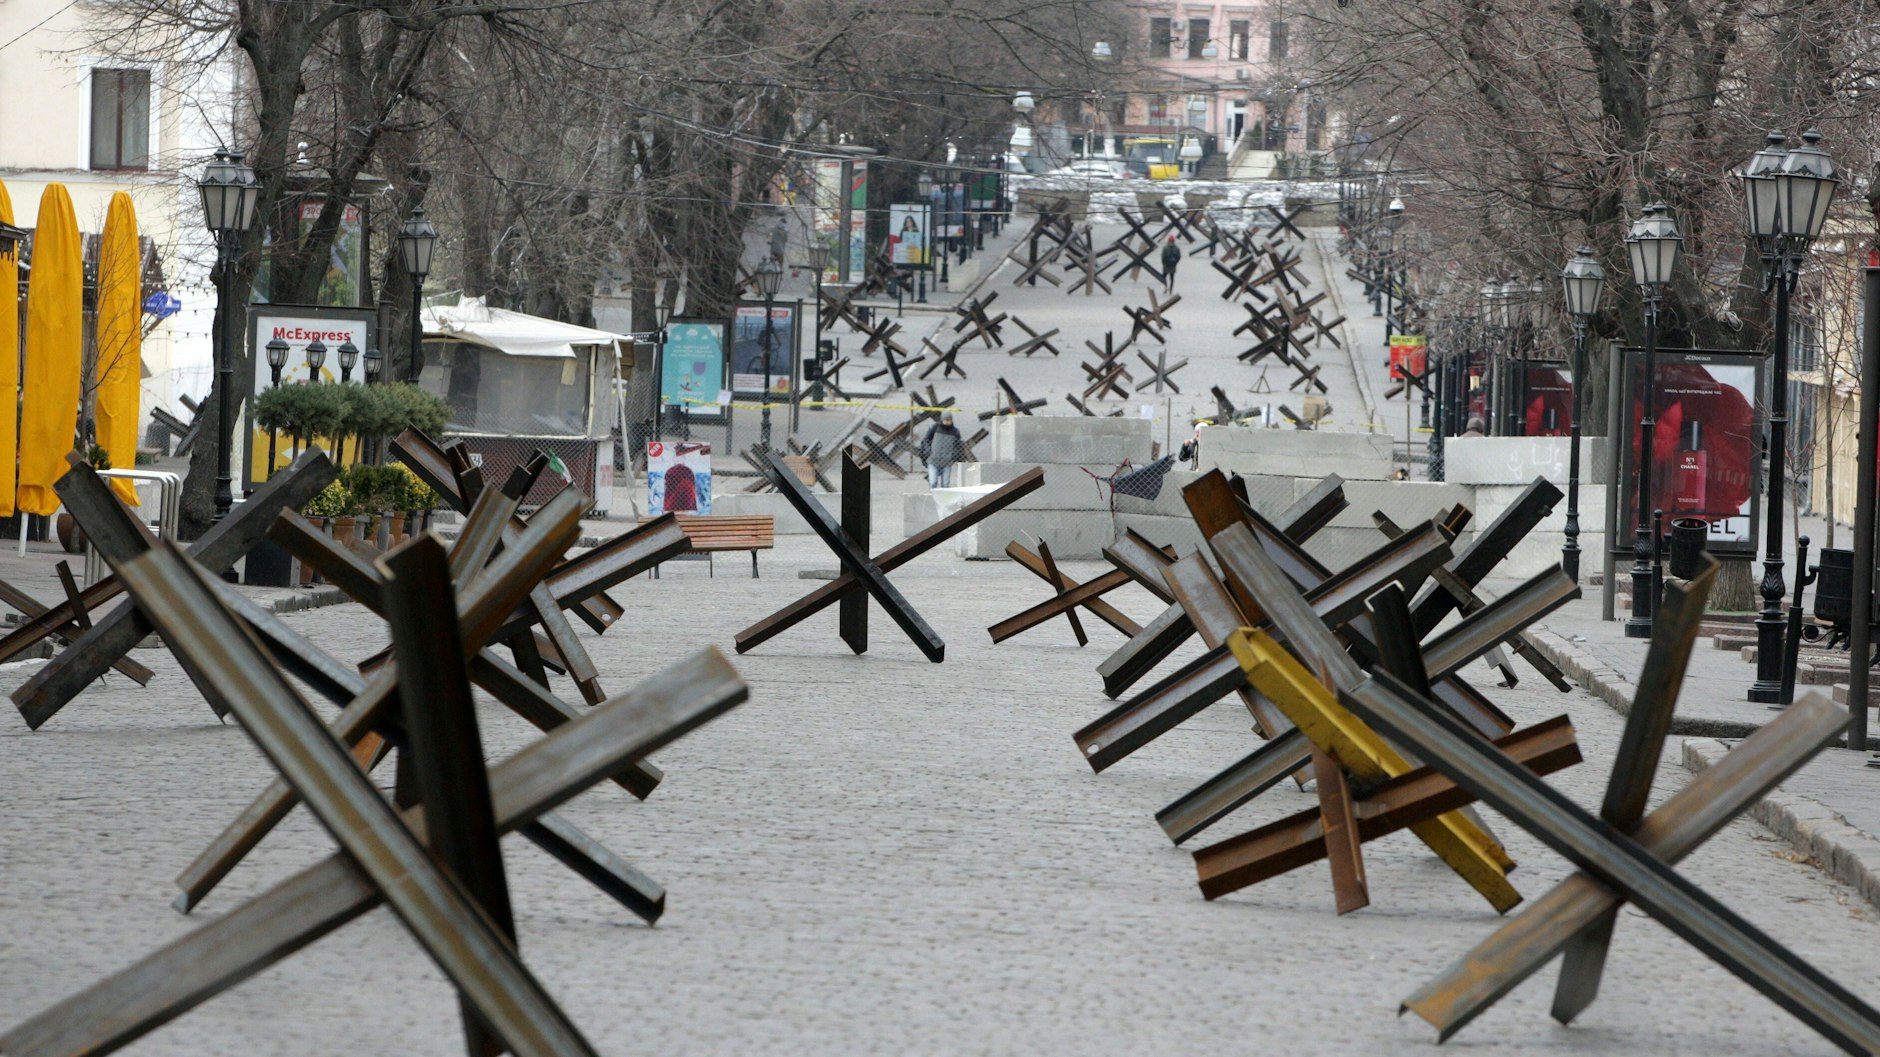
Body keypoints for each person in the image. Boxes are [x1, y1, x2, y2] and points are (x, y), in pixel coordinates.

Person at [919, 412, 964, 488]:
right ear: (942, 420)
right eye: (945, 420)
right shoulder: (935, 428)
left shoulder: (955, 431)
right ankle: (934, 497)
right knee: (933, 482)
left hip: (947, 462)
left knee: (945, 484)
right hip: (933, 460)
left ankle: (943, 499)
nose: (947, 422)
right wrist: (928, 451)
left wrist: (953, 456)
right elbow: (926, 440)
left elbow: (958, 446)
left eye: (949, 420)